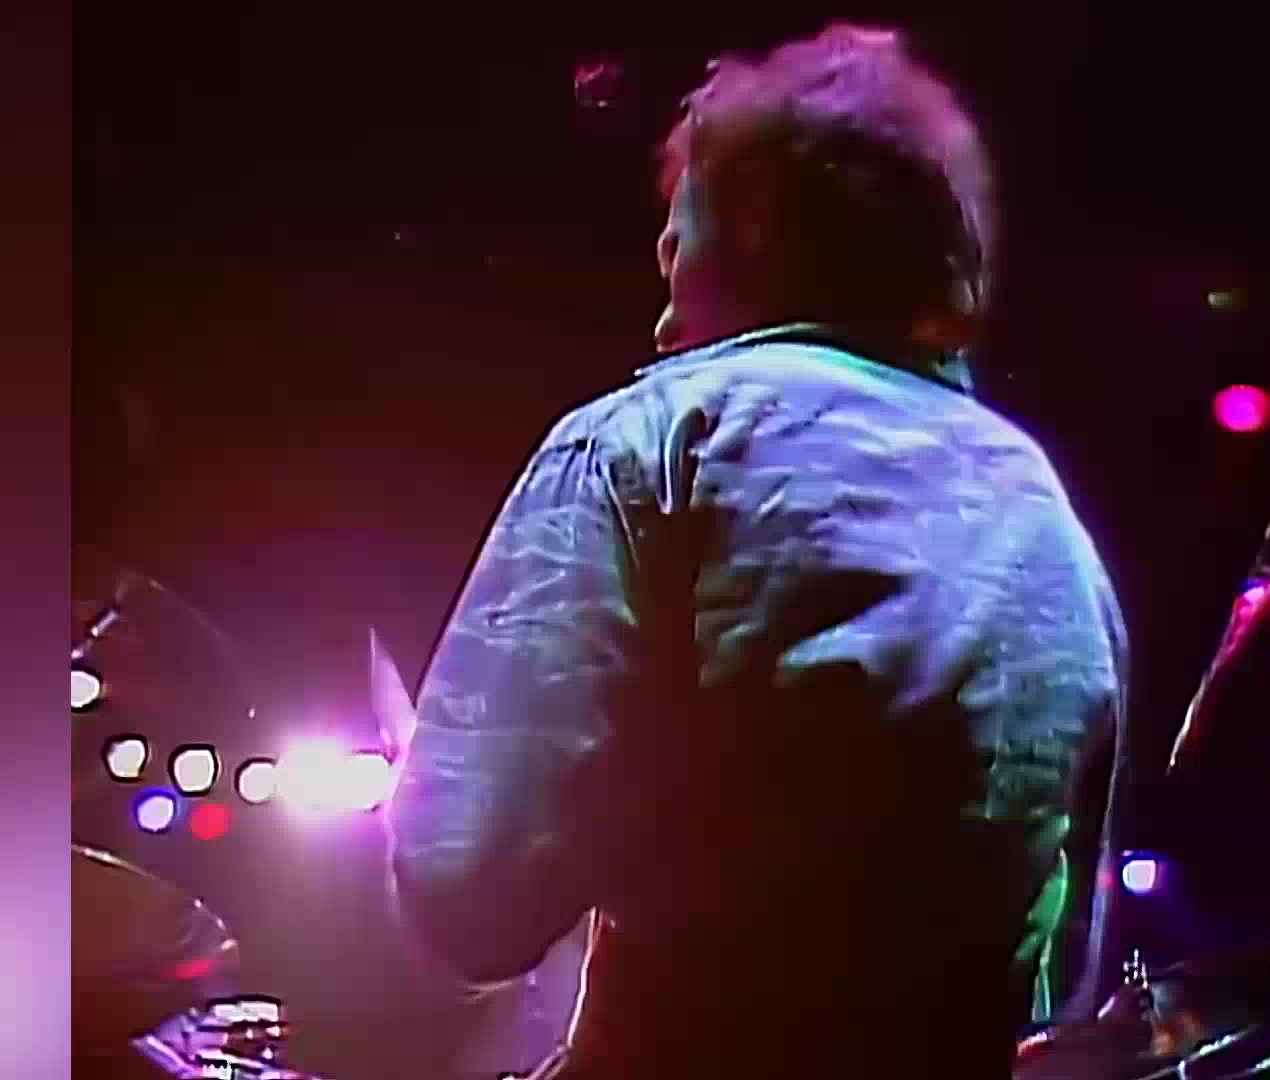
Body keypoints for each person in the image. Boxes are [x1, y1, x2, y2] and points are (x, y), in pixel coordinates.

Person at [385, 24, 1128, 1080]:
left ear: (756, 223)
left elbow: (467, 895)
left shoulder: (650, 440)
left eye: (675, 239)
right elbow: (1060, 973)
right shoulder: (1048, 516)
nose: (661, 292)